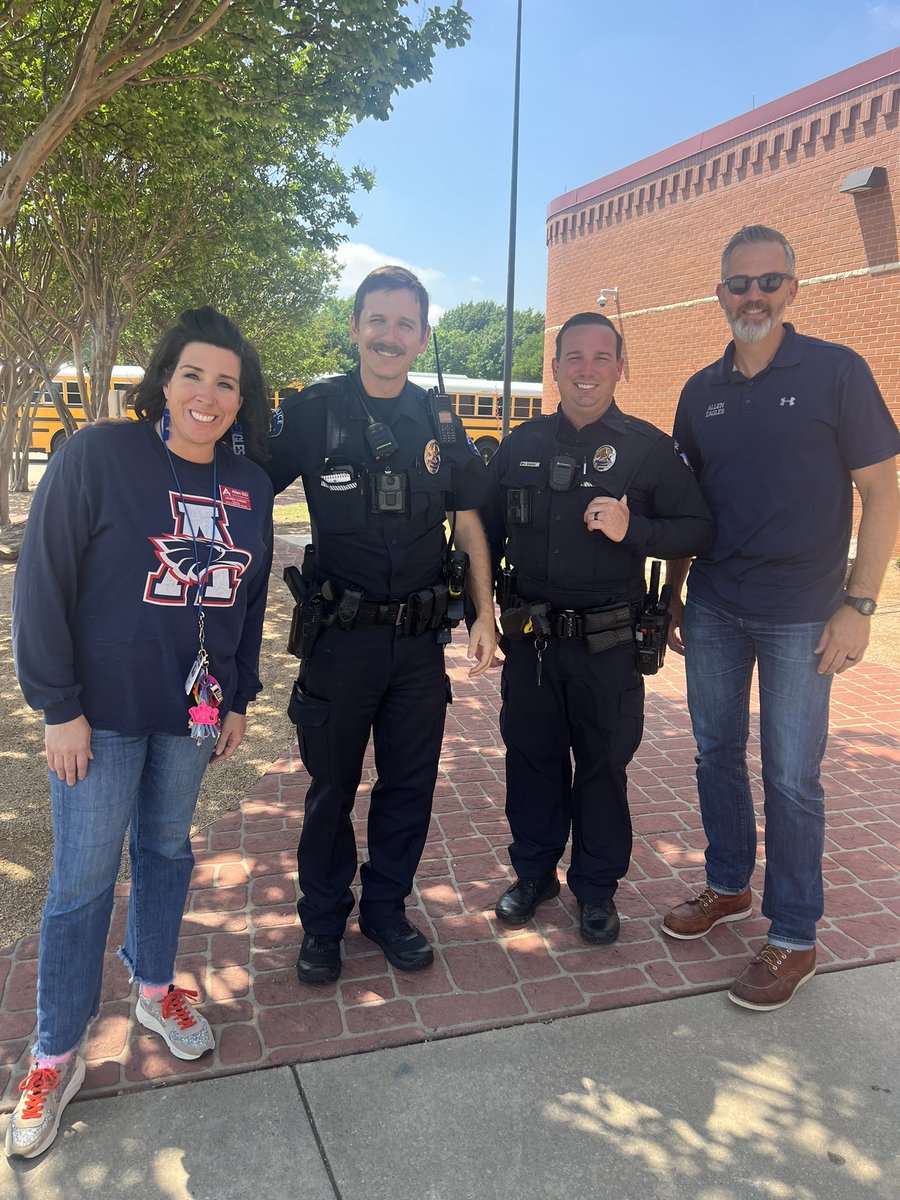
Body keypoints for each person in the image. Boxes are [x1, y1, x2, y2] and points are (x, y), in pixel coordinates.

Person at [6, 308, 274, 1159]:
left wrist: (239, 698)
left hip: (190, 716)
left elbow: (250, 597)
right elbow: (42, 579)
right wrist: (57, 706)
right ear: (164, 378)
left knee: (165, 852)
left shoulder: (249, 484)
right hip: (101, 715)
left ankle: (155, 987)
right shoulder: (98, 456)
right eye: (194, 374)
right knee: (82, 880)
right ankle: (56, 1051)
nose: (208, 395)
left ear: (241, 400)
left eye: (226, 383)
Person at [662, 225, 900, 1010]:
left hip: (803, 614)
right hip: (714, 607)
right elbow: (688, 506)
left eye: (769, 281)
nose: (754, 295)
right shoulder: (700, 391)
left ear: (793, 288)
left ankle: (794, 934)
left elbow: (883, 492)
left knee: (792, 777)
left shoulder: (837, 371)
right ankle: (729, 883)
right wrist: (674, 595)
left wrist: (859, 605)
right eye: (740, 282)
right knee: (714, 754)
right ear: (720, 293)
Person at [262, 266, 496, 984]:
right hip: (340, 642)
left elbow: (468, 521)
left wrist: (485, 614)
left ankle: (386, 910)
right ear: (355, 327)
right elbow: (244, 487)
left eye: (404, 324)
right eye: (377, 321)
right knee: (330, 788)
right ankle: (322, 922)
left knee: (409, 785)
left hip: (420, 646)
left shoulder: (438, 420)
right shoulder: (313, 412)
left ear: (422, 337)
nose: (389, 336)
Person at [482, 312, 715, 944]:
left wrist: (634, 529)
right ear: (555, 367)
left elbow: (698, 528)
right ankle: (534, 875)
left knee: (603, 768)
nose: (587, 370)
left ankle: (595, 889)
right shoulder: (521, 444)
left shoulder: (648, 448)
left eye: (601, 357)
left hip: (608, 645)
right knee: (532, 761)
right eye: (574, 357)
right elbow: (486, 533)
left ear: (620, 367)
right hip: (531, 642)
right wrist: (479, 611)